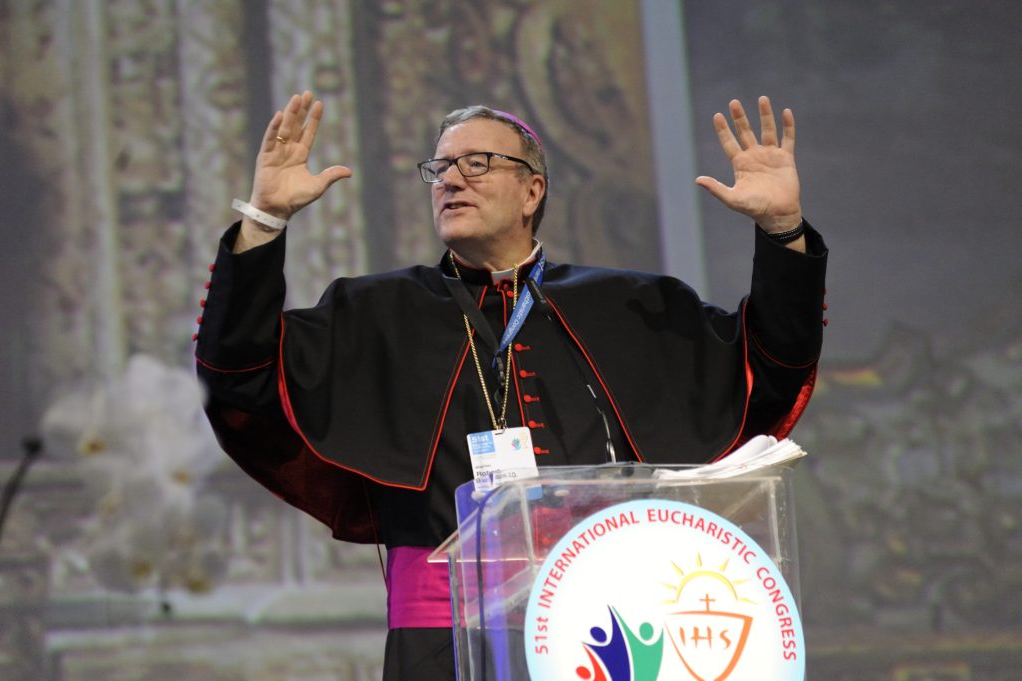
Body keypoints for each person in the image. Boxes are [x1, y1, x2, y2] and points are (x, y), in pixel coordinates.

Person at [194, 91, 827, 679]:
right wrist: (264, 221)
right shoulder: (373, 312)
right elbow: (240, 371)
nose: (450, 178)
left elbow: (766, 366)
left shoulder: (631, 305)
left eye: (477, 161)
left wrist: (782, 232)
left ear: (532, 191)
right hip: (443, 639)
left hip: (606, 625)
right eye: (438, 168)